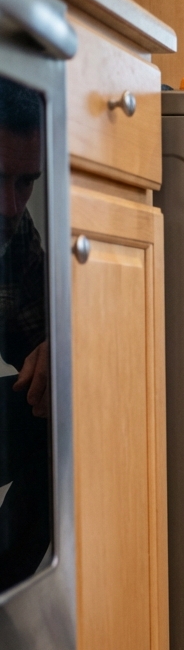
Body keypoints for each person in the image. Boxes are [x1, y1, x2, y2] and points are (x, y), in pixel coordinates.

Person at [0, 76, 52, 589]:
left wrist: (58, 351)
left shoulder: (12, 235)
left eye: (25, 182)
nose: (12, 206)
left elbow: (43, 341)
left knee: (63, 411)